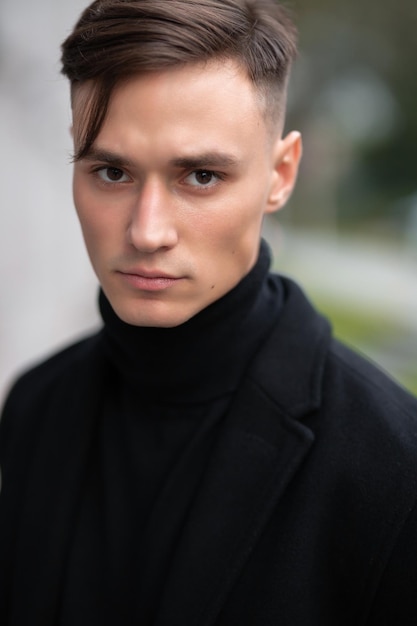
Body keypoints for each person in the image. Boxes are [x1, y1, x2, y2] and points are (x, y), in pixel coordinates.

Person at [1, 0, 417, 624]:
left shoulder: (394, 467)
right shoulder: (34, 405)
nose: (146, 232)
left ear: (281, 173)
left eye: (199, 176)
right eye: (111, 171)